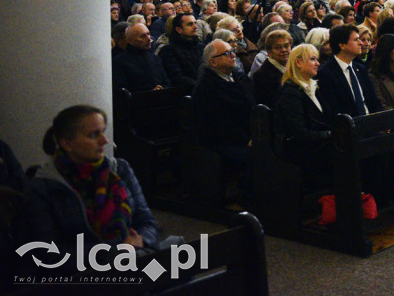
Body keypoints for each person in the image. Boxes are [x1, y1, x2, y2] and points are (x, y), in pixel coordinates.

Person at [18, 105, 160, 262]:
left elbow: (146, 221)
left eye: (103, 132)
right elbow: (49, 251)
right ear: (67, 144)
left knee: (179, 275)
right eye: (94, 135)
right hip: (84, 273)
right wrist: (114, 249)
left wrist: (141, 240)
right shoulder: (44, 187)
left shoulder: (119, 169)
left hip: (134, 255)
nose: (104, 140)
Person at [191, 39, 254, 177]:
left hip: (247, 134)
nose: (233, 56)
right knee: (256, 157)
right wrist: (246, 139)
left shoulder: (238, 77)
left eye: (232, 52)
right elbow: (219, 124)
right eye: (227, 53)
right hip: (224, 142)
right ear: (213, 62)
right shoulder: (206, 88)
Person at [272, 44, 333, 187]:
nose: (318, 63)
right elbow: (299, 133)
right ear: (298, 63)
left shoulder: (314, 87)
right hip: (300, 149)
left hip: (317, 143)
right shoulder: (291, 92)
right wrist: (330, 134)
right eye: (313, 59)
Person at [318, 24, 382, 118]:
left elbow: (373, 100)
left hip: (371, 124)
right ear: (342, 45)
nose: (361, 43)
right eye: (356, 40)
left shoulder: (360, 68)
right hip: (349, 128)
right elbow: (333, 110)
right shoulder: (326, 73)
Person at [112, 23, 169, 93]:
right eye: (142, 36)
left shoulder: (155, 58)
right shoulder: (120, 62)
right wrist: (149, 93)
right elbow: (122, 92)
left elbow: (167, 82)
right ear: (130, 40)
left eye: (148, 34)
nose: (149, 39)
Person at [159, 13, 204, 88]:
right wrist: (200, 86)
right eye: (190, 24)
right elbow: (176, 77)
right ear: (179, 29)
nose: (195, 27)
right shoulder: (168, 51)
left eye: (195, 23)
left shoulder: (201, 46)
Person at [252, 29, 292, 106]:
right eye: (278, 47)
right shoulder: (261, 75)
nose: (283, 50)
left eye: (286, 46)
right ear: (269, 52)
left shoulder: (294, 68)